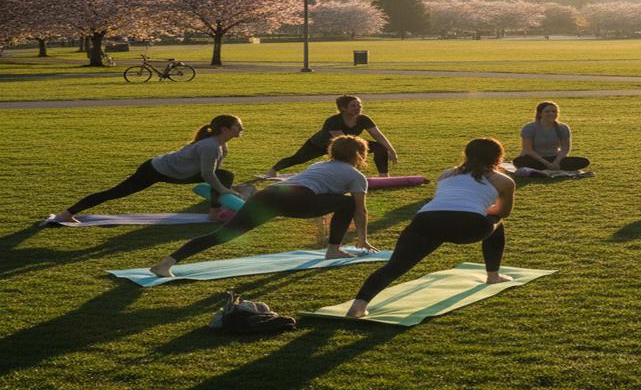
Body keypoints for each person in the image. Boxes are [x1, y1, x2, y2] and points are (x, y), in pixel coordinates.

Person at [150, 136, 377, 276]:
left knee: (224, 234)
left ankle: (167, 263)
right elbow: (360, 210)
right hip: (298, 199)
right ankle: (333, 249)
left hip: (268, 195)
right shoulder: (356, 176)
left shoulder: (319, 165)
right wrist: (362, 238)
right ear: (359, 155)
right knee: (348, 202)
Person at [346, 138, 515, 318]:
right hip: (470, 226)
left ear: (467, 154)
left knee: (395, 266)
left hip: (427, 219)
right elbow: (503, 212)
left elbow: (446, 202)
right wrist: (482, 209)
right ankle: (493, 275)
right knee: (498, 222)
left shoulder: (447, 174)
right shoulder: (504, 180)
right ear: (498, 157)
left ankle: (358, 307)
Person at [52, 115, 244, 223]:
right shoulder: (210, 146)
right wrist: (224, 190)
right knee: (116, 192)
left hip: (180, 174)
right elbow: (208, 174)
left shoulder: (222, 145)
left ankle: (214, 213)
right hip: (155, 170)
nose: (241, 130)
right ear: (225, 129)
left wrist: (225, 188)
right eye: (238, 127)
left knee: (225, 175)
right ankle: (66, 214)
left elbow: (213, 173)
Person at [268, 95, 398, 177]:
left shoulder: (364, 119)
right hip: (320, 145)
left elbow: (378, 135)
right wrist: (359, 157)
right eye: (353, 106)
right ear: (343, 108)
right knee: (298, 159)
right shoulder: (333, 121)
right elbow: (343, 142)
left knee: (380, 147)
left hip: (347, 144)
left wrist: (391, 150)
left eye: (359, 105)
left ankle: (384, 176)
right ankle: (273, 170)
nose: (358, 108)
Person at [514, 101, 590, 173]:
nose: (551, 113)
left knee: (584, 161)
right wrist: (547, 163)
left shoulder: (563, 127)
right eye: (547, 111)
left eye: (554, 111)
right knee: (519, 161)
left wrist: (556, 162)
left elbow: (565, 148)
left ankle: (546, 168)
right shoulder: (529, 127)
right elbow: (528, 150)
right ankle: (548, 167)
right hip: (535, 158)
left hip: (554, 157)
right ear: (540, 113)